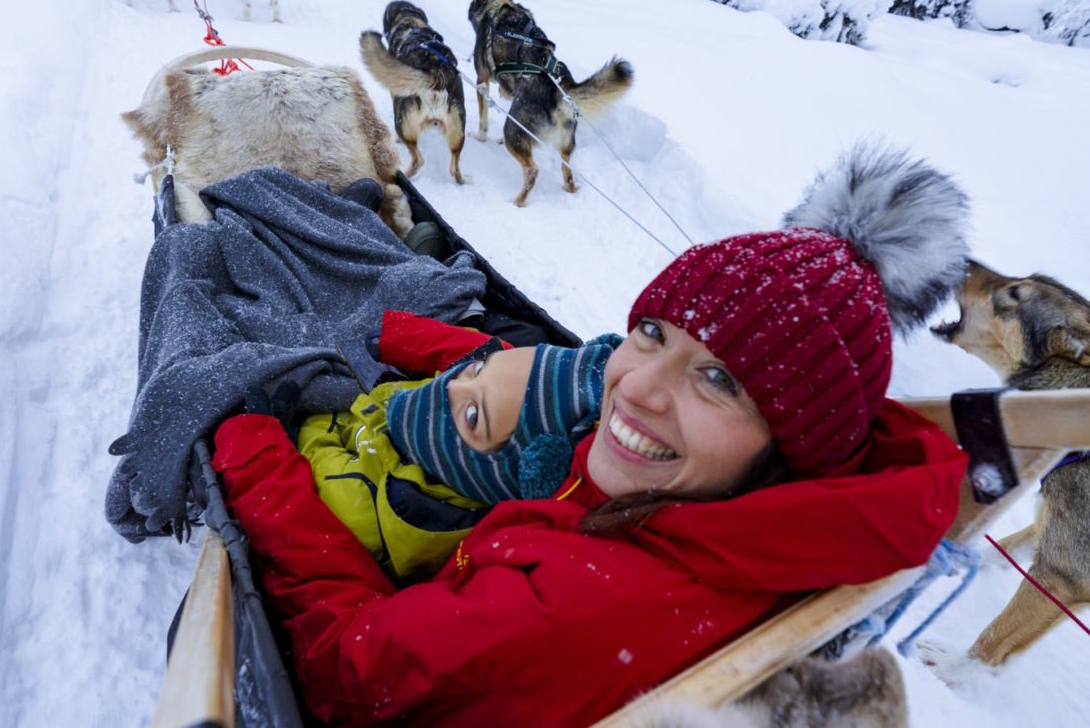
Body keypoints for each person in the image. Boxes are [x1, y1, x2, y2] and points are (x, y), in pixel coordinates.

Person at [212, 145, 972, 726]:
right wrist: (392, 334)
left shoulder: (571, 607)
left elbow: (346, 667)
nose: (634, 385)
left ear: (788, 447)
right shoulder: (698, 495)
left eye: (720, 380)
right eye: (650, 331)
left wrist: (251, 449)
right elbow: (543, 371)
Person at [284, 310, 617, 577]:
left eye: (473, 415)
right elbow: (493, 358)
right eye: (478, 369)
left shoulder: (377, 510)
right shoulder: (460, 408)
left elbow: (315, 451)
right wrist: (402, 334)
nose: (450, 386)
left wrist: (318, 413)